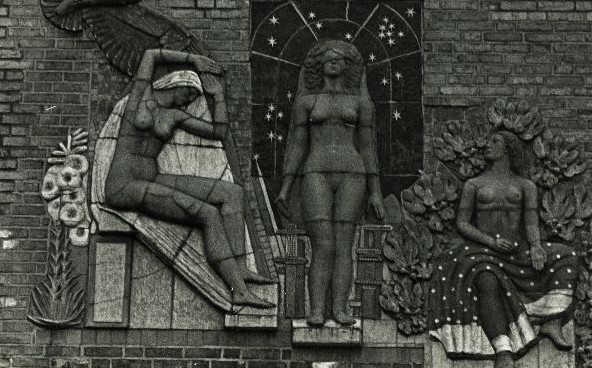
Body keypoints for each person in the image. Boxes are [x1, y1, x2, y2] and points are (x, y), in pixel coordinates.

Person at [104, 48, 274, 308]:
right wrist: (194, 60)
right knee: (208, 214)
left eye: (195, 95)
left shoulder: (175, 115)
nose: (190, 98)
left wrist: (218, 96)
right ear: (175, 83)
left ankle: (241, 267)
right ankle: (238, 291)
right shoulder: (141, 96)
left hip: (152, 178)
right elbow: (149, 55)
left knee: (232, 193)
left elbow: (219, 132)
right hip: (124, 185)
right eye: (189, 92)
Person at [426, 130, 576, 367]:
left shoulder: (525, 185)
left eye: (494, 142)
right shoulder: (474, 185)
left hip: (517, 252)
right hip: (482, 252)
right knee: (486, 278)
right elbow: (462, 223)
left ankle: (551, 319)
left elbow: (530, 221)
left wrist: (536, 246)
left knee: (567, 255)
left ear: (507, 149)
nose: (487, 145)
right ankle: (503, 349)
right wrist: (490, 241)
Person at [275, 40, 385, 326]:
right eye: (329, 57)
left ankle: (339, 309)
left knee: (344, 246)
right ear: (320, 64)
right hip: (316, 172)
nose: (335, 61)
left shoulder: (360, 103)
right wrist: (286, 188)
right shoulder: (307, 102)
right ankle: (317, 310)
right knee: (323, 245)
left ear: (348, 66)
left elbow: (368, 147)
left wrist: (375, 192)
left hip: (352, 173)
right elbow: (298, 145)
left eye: (340, 58)